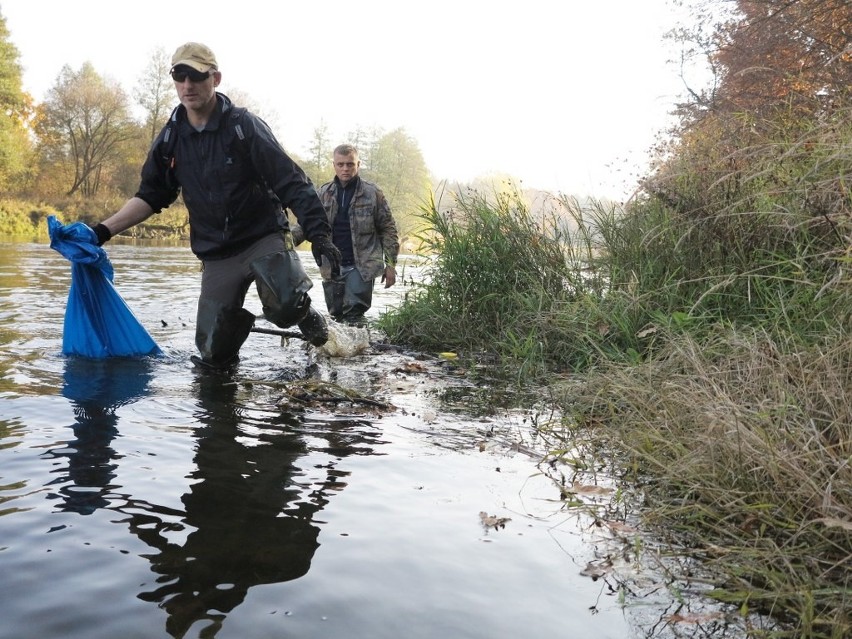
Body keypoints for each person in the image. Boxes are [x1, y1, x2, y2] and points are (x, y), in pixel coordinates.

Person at [89, 42, 341, 369]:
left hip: (262, 236)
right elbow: (150, 196)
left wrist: (320, 235)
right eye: (180, 76)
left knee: (283, 307)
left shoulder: (243, 126)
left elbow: (291, 181)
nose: (188, 85)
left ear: (216, 78)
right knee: (213, 355)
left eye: (197, 76)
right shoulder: (170, 139)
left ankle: (306, 317)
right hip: (216, 252)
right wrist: (101, 231)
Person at [293, 144, 399, 325]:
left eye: (350, 164)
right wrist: (285, 241)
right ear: (334, 164)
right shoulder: (322, 194)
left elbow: (388, 229)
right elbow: (306, 225)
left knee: (354, 314)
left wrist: (390, 264)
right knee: (336, 317)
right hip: (331, 266)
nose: (345, 169)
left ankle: (359, 350)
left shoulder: (373, 194)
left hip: (362, 266)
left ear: (358, 164)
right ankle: (344, 352)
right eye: (340, 164)